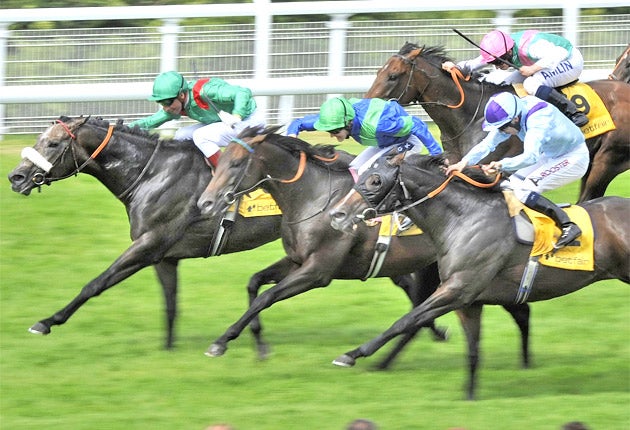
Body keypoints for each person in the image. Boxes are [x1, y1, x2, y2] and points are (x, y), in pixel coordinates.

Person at [446, 91, 589, 250]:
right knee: (508, 185)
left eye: (503, 128)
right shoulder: (515, 113)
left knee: (525, 190)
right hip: (550, 155)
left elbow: (530, 157)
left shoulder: (538, 120)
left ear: (515, 119)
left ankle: (567, 225)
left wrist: (500, 165)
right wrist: (463, 163)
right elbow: (488, 144)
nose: (501, 131)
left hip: (573, 158)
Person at [442, 29, 588, 127]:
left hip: (569, 60)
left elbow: (559, 53)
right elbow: (475, 63)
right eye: (494, 63)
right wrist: (455, 67)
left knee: (531, 83)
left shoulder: (530, 47)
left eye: (498, 62)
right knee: (504, 84)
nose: (497, 66)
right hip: (543, 62)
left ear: (509, 51)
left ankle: (574, 113)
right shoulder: (501, 50)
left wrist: (532, 69)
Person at [130, 71, 265, 168]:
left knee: (201, 135)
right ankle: (198, 172)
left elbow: (243, 92)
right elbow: (149, 122)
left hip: (249, 122)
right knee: (180, 136)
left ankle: (226, 174)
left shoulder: (207, 91)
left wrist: (237, 115)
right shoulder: (177, 105)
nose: (165, 108)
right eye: (161, 103)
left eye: (167, 102)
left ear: (181, 95)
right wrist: (122, 129)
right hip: (224, 123)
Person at [287, 97, 442, 179]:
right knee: (354, 171)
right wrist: (291, 139)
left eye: (334, 131)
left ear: (348, 123)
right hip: (384, 142)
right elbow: (298, 123)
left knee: (369, 171)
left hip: (409, 141)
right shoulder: (336, 118)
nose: (331, 135)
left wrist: (437, 155)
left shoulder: (379, 125)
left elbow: (417, 124)